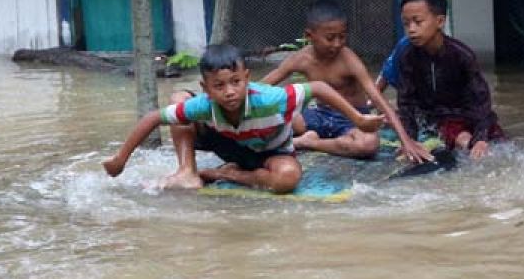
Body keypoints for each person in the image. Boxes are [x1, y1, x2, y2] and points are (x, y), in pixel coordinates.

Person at [102, 43, 383, 194]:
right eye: (220, 86)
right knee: (178, 100)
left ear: (247, 79)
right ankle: (187, 172)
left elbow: (319, 88)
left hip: (270, 150)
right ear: (206, 89)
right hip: (228, 141)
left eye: (236, 82)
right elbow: (152, 118)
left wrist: (359, 119)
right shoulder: (205, 104)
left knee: (287, 179)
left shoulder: (268, 98)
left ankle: (228, 173)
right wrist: (120, 160)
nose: (230, 92)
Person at [261, 0, 433, 163]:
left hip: (352, 119)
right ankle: (315, 138)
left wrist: (406, 140)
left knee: (368, 144)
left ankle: (309, 142)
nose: (337, 44)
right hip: (319, 115)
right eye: (330, 38)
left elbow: (377, 98)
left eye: (342, 37)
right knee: (275, 119)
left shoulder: (348, 59)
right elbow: (262, 87)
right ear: (309, 35)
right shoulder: (300, 59)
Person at [395, 0, 505, 160]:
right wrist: (409, 140)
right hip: (439, 120)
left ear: (440, 21)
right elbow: (405, 102)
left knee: (496, 138)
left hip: (468, 114)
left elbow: (481, 99)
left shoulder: (462, 55)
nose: (411, 29)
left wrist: (481, 137)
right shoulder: (407, 57)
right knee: (458, 136)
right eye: (406, 24)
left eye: (417, 21)